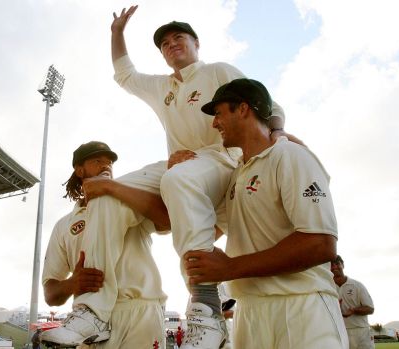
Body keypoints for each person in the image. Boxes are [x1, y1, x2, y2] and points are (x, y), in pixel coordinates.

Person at [105, 6, 300, 348]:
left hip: (223, 158)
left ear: (196, 42)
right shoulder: (161, 87)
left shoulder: (217, 71)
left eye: (179, 37)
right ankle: (93, 310)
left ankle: (206, 301)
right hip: (179, 165)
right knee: (108, 194)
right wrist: (117, 33)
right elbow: (124, 75)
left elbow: (263, 101)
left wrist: (279, 133)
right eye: (164, 43)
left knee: (179, 178)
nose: (172, 45)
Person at [183, 78, 348, 348]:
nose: (214, 124)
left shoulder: (290, 156)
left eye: (219, 113)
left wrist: (230, 268)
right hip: (249, 313)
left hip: (301, 306)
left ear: (244, 108)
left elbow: (320, 243)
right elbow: (210, 230)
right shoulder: (236, 174)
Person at [40, 141, 169, 348]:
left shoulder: (128, 199)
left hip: (140, 311)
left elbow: (168, 221)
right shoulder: (63, 226)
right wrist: (73, 283)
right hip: (88, 320)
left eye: (109, 162)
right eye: (97, 160)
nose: (106, 166)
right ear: (79, 170)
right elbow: (50, 294)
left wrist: (113, 188)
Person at [331, 255, 375, 349]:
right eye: (331, 265)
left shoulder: (357, 285)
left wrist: (354, 310)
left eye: (337, 263)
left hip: (362, 332)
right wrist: (335, 307)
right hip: (339, 333)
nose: (334, 267)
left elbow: (370, 309)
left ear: (342, 265)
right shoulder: (328, 288)